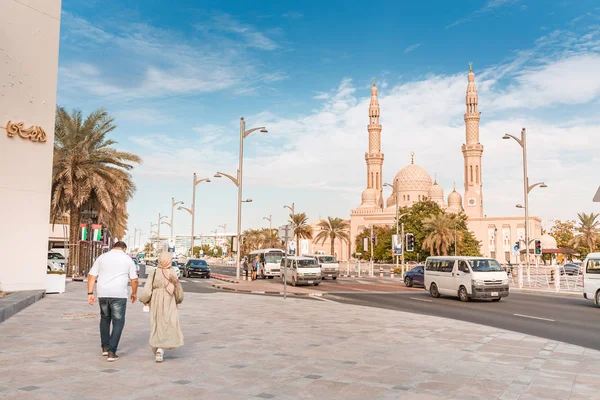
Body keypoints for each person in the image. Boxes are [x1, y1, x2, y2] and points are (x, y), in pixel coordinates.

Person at [88, 241, 138, 362]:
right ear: (124, 249)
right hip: (119, 294)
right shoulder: (127, 259)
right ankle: (112, 352)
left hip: (103, 293)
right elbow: (134, 279)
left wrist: (90, 293)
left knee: (105, 319)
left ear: (113, 247)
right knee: (118, 322)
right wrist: (134, 293)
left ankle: (105, 348)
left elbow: (91, 275)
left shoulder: (102, 257)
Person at [139, 252, 184, 363]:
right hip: (170, 300)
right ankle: (162, 347)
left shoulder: (154, 272)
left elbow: (147, 289)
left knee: (156, 323)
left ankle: (158, 348)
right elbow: (178, 288)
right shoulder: (173, 272)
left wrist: (145, 300)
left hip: (156, 299)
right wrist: (178, 300)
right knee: (169, 323)